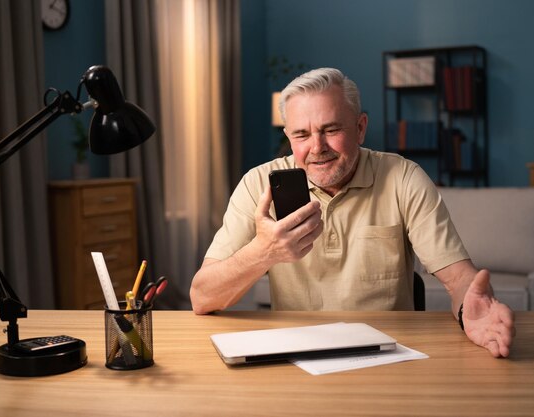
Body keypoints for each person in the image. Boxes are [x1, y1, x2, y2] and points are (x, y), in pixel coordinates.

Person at [190, 68, 515, 358]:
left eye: (331, 129)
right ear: (288, 138)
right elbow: (203, 297)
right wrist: (263, 253)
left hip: (389, 353)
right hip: (297, 356)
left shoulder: (403, 177)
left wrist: (471, 310)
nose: (317, 147)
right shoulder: (257, 184)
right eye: (301, 135)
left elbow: (459, 279)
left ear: (360, 128)